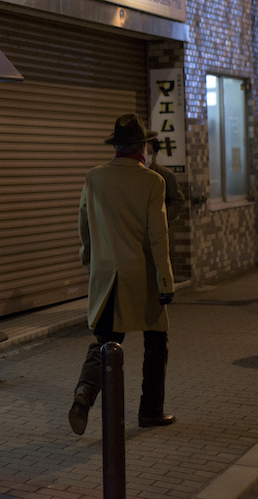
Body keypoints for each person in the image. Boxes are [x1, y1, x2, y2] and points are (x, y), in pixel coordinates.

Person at [69, 114, 175, 435]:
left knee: (106, 342)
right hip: (142, 278)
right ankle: (150, 411)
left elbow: (84, 225)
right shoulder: (152, 181)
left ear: (116, 146)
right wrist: (166, 281)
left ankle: (85, 393)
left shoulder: (95, 178)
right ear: (142, 146)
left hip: (107, 278)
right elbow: (158, 236)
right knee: (156, 342)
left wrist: (90, 260)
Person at [147, 138, 185, 221]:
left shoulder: (165, 175)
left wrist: (161, 217)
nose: (145, 155)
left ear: (155, 154)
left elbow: (177, 200)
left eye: (149, 152)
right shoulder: (134, 173)